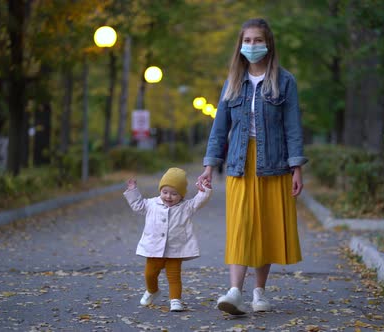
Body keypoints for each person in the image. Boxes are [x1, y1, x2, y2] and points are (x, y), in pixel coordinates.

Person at [196, 18, 308, 315]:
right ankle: (235, 292)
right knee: (241, 225)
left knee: (267, 228)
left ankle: (259, 293)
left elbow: (293, 127)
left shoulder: (285, 81)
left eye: (258, 40)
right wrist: (209, 166)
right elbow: (220, 128)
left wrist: (297, 167)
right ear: (240, 45)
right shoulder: (233, 82)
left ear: (268, 43)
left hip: (275, 163)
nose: (253, 45)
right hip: (239, 163)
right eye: (248, 40)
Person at [124, 167, 212, 312]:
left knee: (174, 276)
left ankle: (175, 300)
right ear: (160, 191)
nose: (168, 197)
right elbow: (137, 205)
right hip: (154, 249)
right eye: (165, 192)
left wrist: (205, 190)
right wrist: (133, 190)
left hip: (176, 249)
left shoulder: (186, 206)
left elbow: (199, 201)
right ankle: (153, 291)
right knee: (149, 274)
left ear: (182, 195)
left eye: (174, 194)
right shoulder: (151, 204)